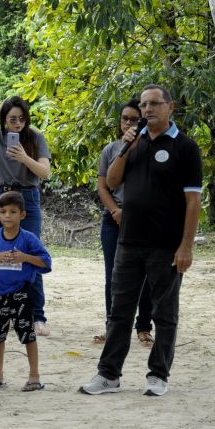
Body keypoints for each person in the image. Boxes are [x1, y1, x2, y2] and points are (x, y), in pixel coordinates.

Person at [80, 84, 202, 397]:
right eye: (143, 105)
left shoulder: (185, 147)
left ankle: (158, 374)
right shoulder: (133, 143)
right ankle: (108, 375)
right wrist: (126, 148)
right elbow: (112, 180)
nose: (147, 110)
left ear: (170, 107)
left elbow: (192, 202)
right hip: (128, 241)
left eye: (154, 104)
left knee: (164, 313)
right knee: (120, 311)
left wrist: (186, 246)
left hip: (166, 244)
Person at [0, 96, 52, 336]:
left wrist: (24, 158)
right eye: (12, 119)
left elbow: (45, 173)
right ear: (5, 120)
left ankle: (37, 315)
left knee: (30, 253)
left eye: (21, 118)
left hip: (27, 198)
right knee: (1, 253)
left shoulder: (35, 138)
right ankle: (6, 310)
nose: (17, 124)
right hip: (0, 198)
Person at [0, 191, 52, 392]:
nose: (8, 215)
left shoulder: (29, 239)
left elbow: (46, 263)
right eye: (4, 211)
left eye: (13, 211)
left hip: (21, 294)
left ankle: (34, 376)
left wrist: (25, 258)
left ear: (22, 215)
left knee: (27, 334)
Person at [96, 99, 153, 346]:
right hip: (114, 220)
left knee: (146, 276)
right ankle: (113, 327)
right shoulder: (111, 149)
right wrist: (115, 211)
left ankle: (143, 327)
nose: (129, 123)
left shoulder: (152, 147)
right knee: (113, 276)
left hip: (144, 219)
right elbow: (103, 186)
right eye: (125, 119)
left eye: (134, 118)